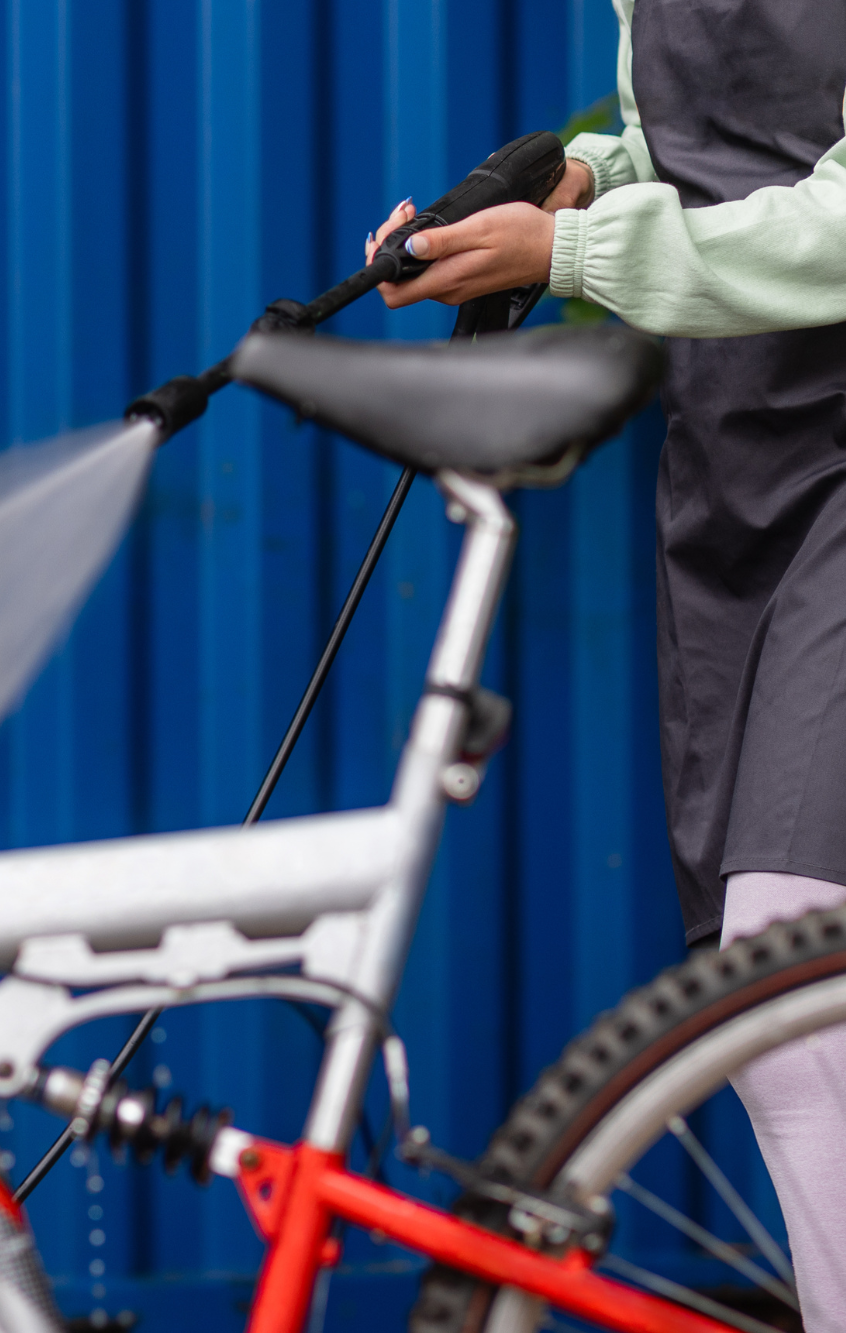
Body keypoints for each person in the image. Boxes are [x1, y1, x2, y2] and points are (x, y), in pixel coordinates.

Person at [370, 0, 846, 1318]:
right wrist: (585, 177)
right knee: (770, 1024)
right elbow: (717, 146)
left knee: (790, 975)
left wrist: (577, 246)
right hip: (740, 468)